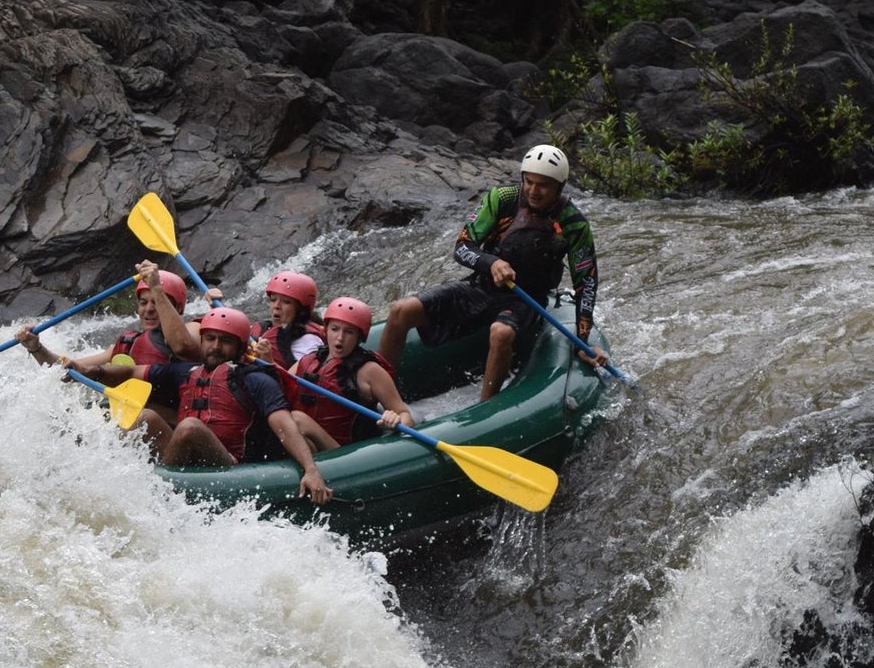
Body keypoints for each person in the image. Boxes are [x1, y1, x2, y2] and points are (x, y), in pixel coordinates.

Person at [379, 144, 609, 400]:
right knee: (401, 310)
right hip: (482, 287)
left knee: (501, 333)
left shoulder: (573, 223)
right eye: (529, 182)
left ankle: (483, 410)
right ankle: (379, 394)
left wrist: (583, 338)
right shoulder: (502, 198)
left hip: (525, 299)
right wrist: (490, 263)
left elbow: (586, 282)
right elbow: (463, 246)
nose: (533, 190)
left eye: (543, 184)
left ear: (559, 186)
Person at [139, 307, 333, 504]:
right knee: (146, 417)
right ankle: (130, 478)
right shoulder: (187, 371)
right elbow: (130, 372)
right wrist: (105, 372)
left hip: (230, 466)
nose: (215, 346)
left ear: (240, 348)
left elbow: (284, 424)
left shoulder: (256, 379)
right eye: (210, 338)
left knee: (190, 428)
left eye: (225, 341)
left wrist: (311, 469)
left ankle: (158, 495)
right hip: (184, 459)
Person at [15, 263, 199, 422]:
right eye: (143, 302)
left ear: (178, 308)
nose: (149, 309)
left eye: (157, 303)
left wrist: (158, 289)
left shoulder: (193, 332)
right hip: (128, 424)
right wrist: (36, 348)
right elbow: (65, 370)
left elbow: (182, 345)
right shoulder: (129, 343)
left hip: (169, 427)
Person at [289, 296, 414, 452]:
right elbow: (278, 384)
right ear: (325, 329)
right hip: (309, 443)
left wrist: (396, 421)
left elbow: (405, 415)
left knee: (297, 420)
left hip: (347, 454)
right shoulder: (308, 360)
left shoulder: (369, 371)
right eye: (335, 329)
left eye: (348, 332)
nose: (340, 337)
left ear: (359, 337)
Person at [250, 270, 326, 365]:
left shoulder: (308, 341)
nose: (276, 306)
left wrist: (269, 362)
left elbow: (298, 378)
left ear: (301, 310)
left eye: (286, 302)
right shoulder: (262, 329)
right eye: (273, 300)